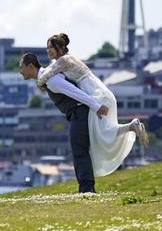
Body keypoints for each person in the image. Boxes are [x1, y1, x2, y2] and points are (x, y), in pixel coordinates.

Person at [37, 33, 149, 178]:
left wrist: (40, 83)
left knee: (100, 135)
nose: (48, 50)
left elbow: (48, 73)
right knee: (104, 133)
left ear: (60, 47)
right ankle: (131, 126)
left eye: (51, 47)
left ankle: (86, 180)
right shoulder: (69, 58)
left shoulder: (64, 60)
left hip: (96, 95)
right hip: (100, 92)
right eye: (47, 48)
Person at [19, 53, 107, 193]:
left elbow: (75, 92)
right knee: (79, 151)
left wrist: (96, 106)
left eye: (21, 67)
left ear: (30, 66)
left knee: (80, 151)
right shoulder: (46, 79)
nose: (20, 71)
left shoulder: (51, 80)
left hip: (79, 112)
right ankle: (86, 188)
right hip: (76, 114)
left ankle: (87, 189)